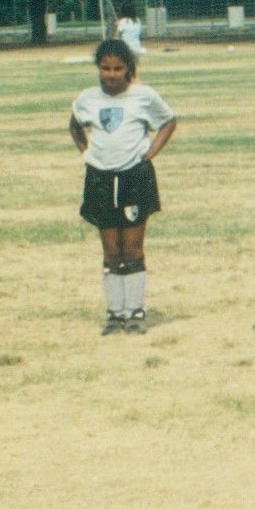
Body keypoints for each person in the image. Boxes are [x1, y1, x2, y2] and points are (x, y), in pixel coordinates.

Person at [68, 39, 177, 334]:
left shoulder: (143, 96)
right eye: (106, 68)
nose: (112, 74)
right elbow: (75, 125)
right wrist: (86, 152)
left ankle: (135, 312)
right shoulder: (87, 99)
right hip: (101, 180)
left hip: (134, 179)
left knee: (131, 247)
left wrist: (153, 150)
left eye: (118, 68)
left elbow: (168, 121)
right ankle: (115, 313)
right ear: (98, 68)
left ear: (128, 68)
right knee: (111, 249)